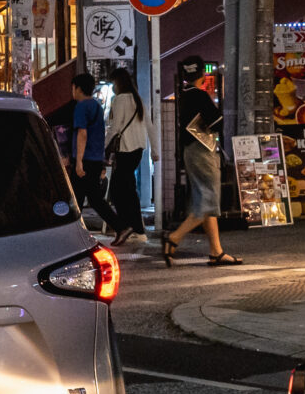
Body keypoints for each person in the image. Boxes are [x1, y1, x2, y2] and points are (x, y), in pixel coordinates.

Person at [160, 79, 231, 264]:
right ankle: (174, 238)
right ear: (201, 77)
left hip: (189, 151)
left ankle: (216, 251)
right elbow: (216, 122)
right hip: (203, 152)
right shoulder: (200, 95)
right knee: (208, 201)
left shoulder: (183, 97)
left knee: (205, 199)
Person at [69, 75, 125, 237]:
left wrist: (78, 161)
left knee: (79, 198)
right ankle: (119, 227)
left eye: (73, 87)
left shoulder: (81, 107)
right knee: (90, 197)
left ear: (78, 88)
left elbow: (82, 134)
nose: (72, 91)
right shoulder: (97, 106)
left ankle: (75, 233)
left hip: (84, 159)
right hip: (94, 159)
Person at [101, 65, 149, 245]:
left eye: (113, 82)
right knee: (129, 189)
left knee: (117, 190)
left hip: (126, 149)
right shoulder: (137, 99)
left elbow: (115, 127)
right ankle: (138, 230)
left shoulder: (120, 99)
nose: (112, 86)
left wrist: (103, 145)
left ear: (118, 82)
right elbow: (146, 125)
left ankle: (125, 226)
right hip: (138, 149)